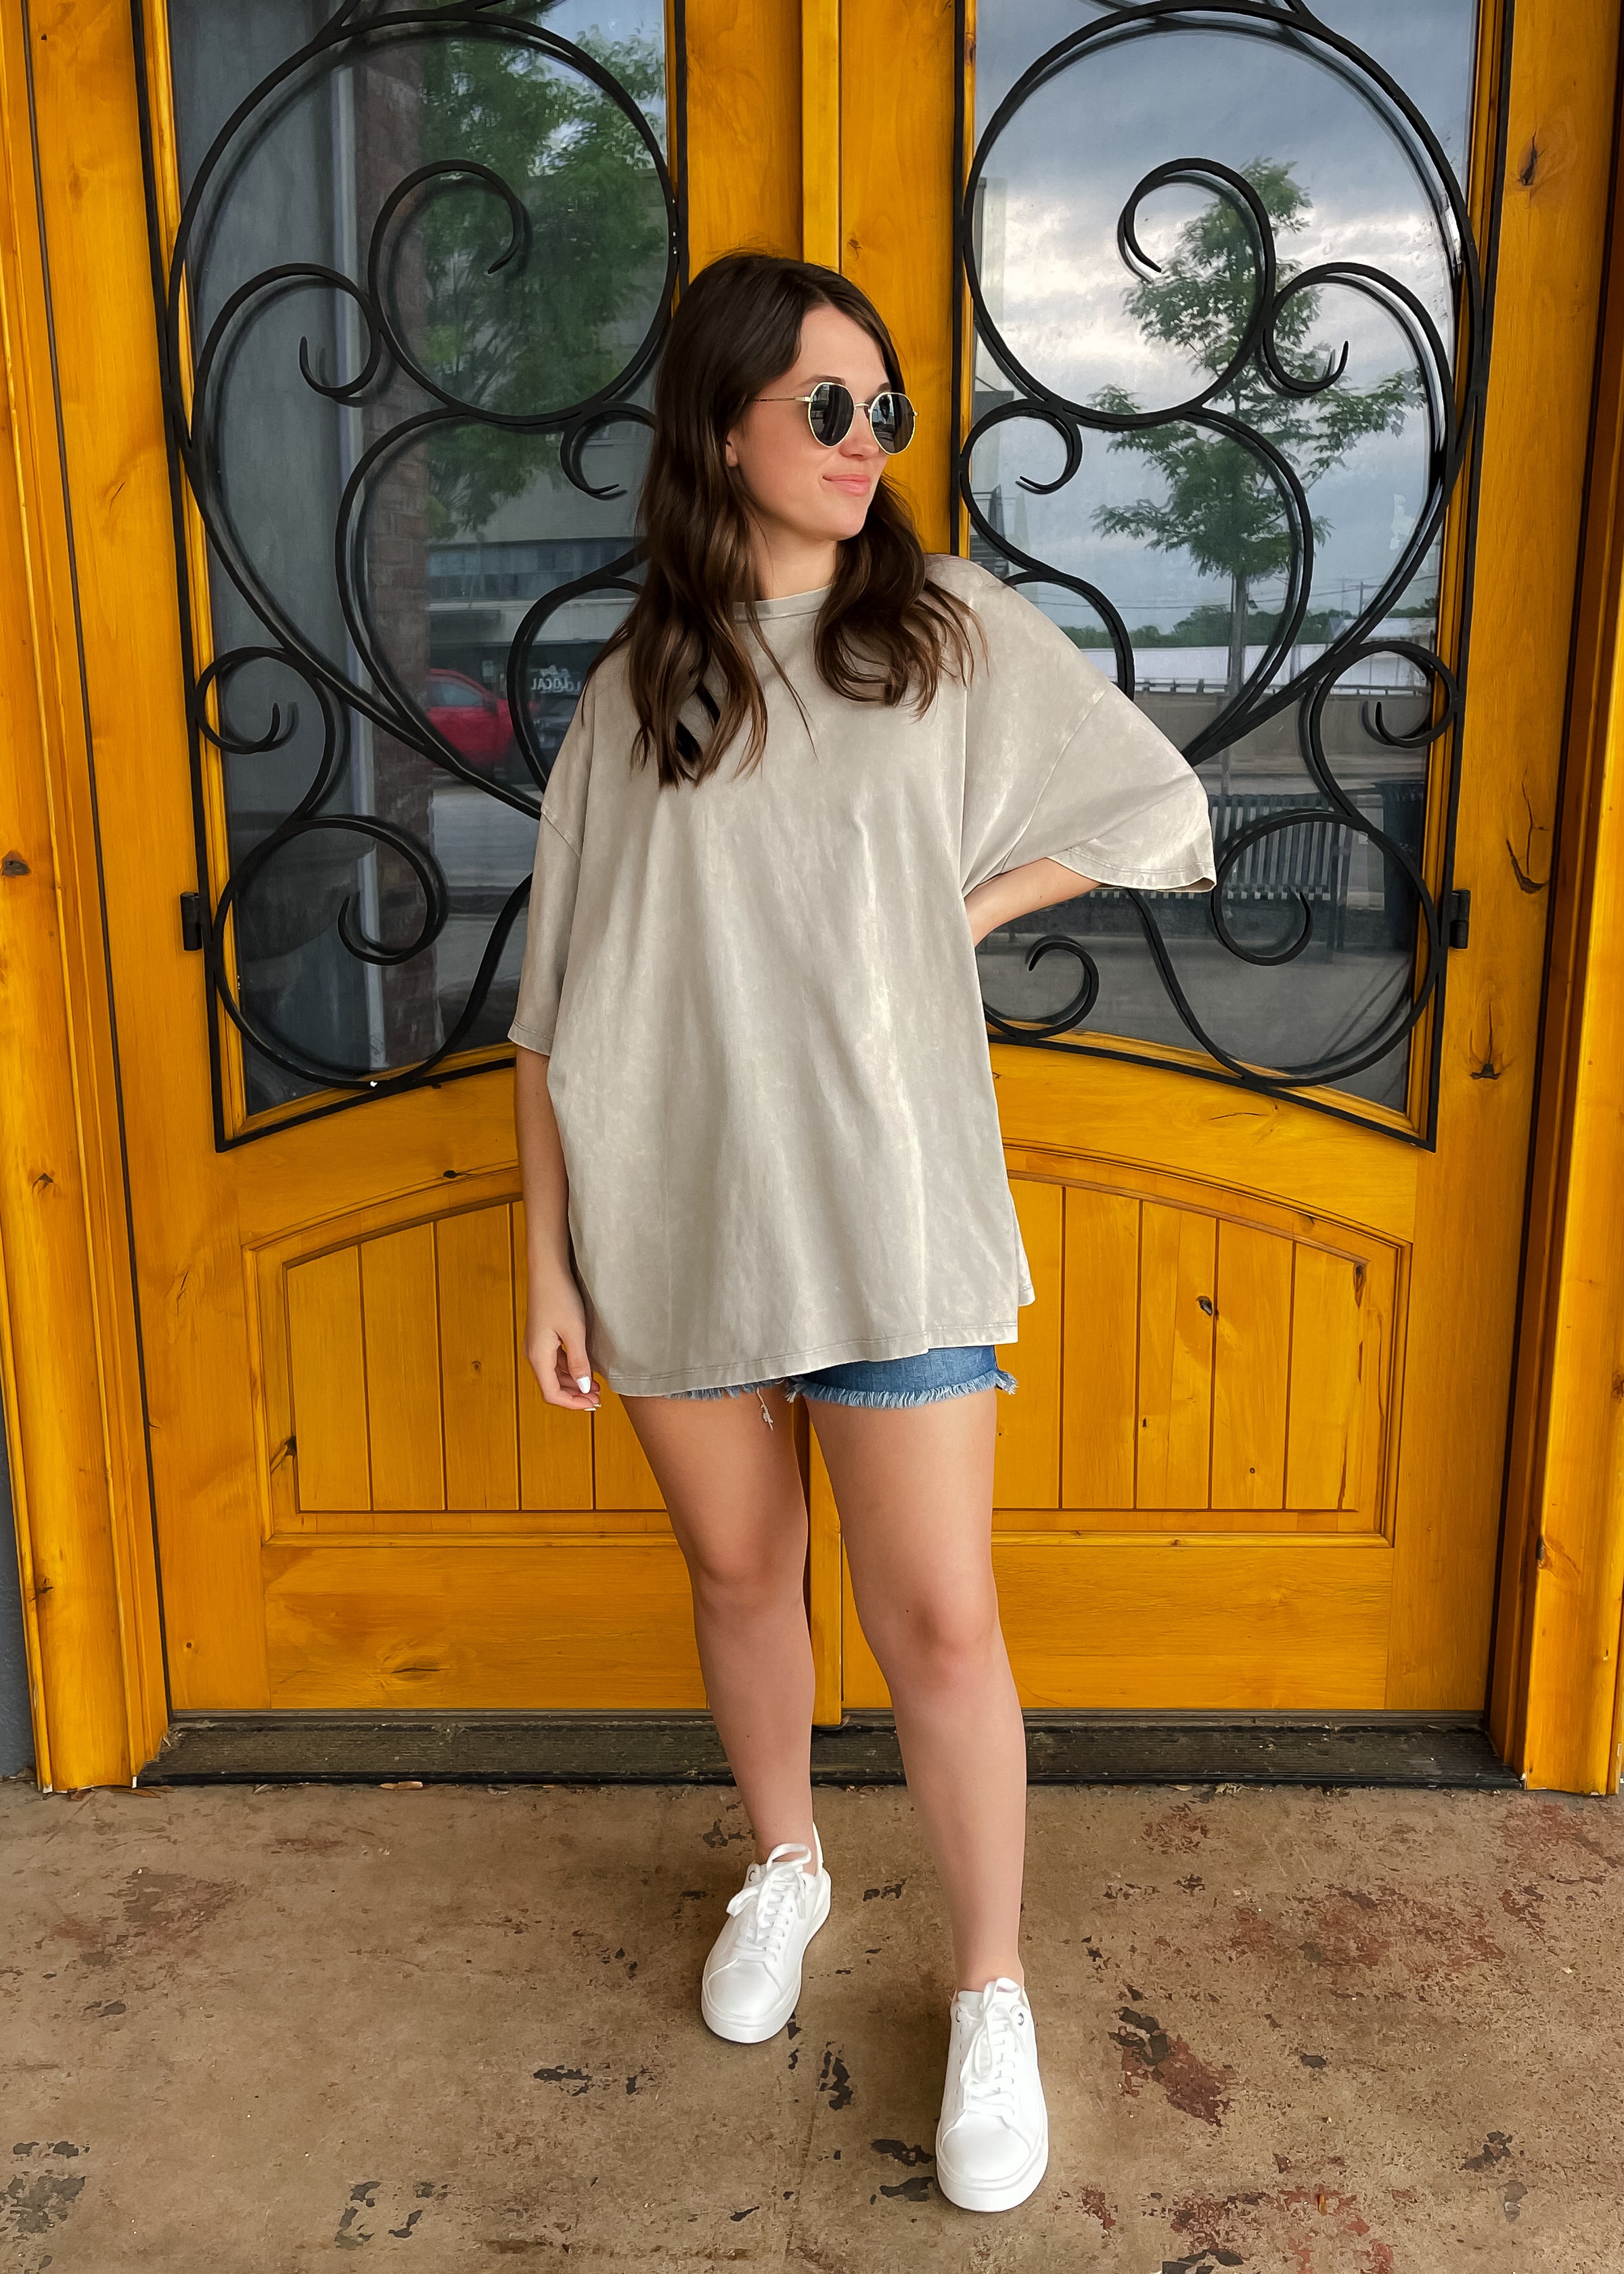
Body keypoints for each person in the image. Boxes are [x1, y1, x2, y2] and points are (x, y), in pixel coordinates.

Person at [510, 250, 1215, 2215]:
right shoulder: (637, 689)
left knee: (937, 1622)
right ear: (722, 422)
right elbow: (555, 1007)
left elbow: (1152, 800)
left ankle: (989, 1988)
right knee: (744, 1581)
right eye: (825, 404)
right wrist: (547, 1259)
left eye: (882, 409)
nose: (864, 440)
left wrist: (957, 910)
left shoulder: (946, 631)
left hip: (892, 1213)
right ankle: (788, 1862)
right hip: (673, 1212)